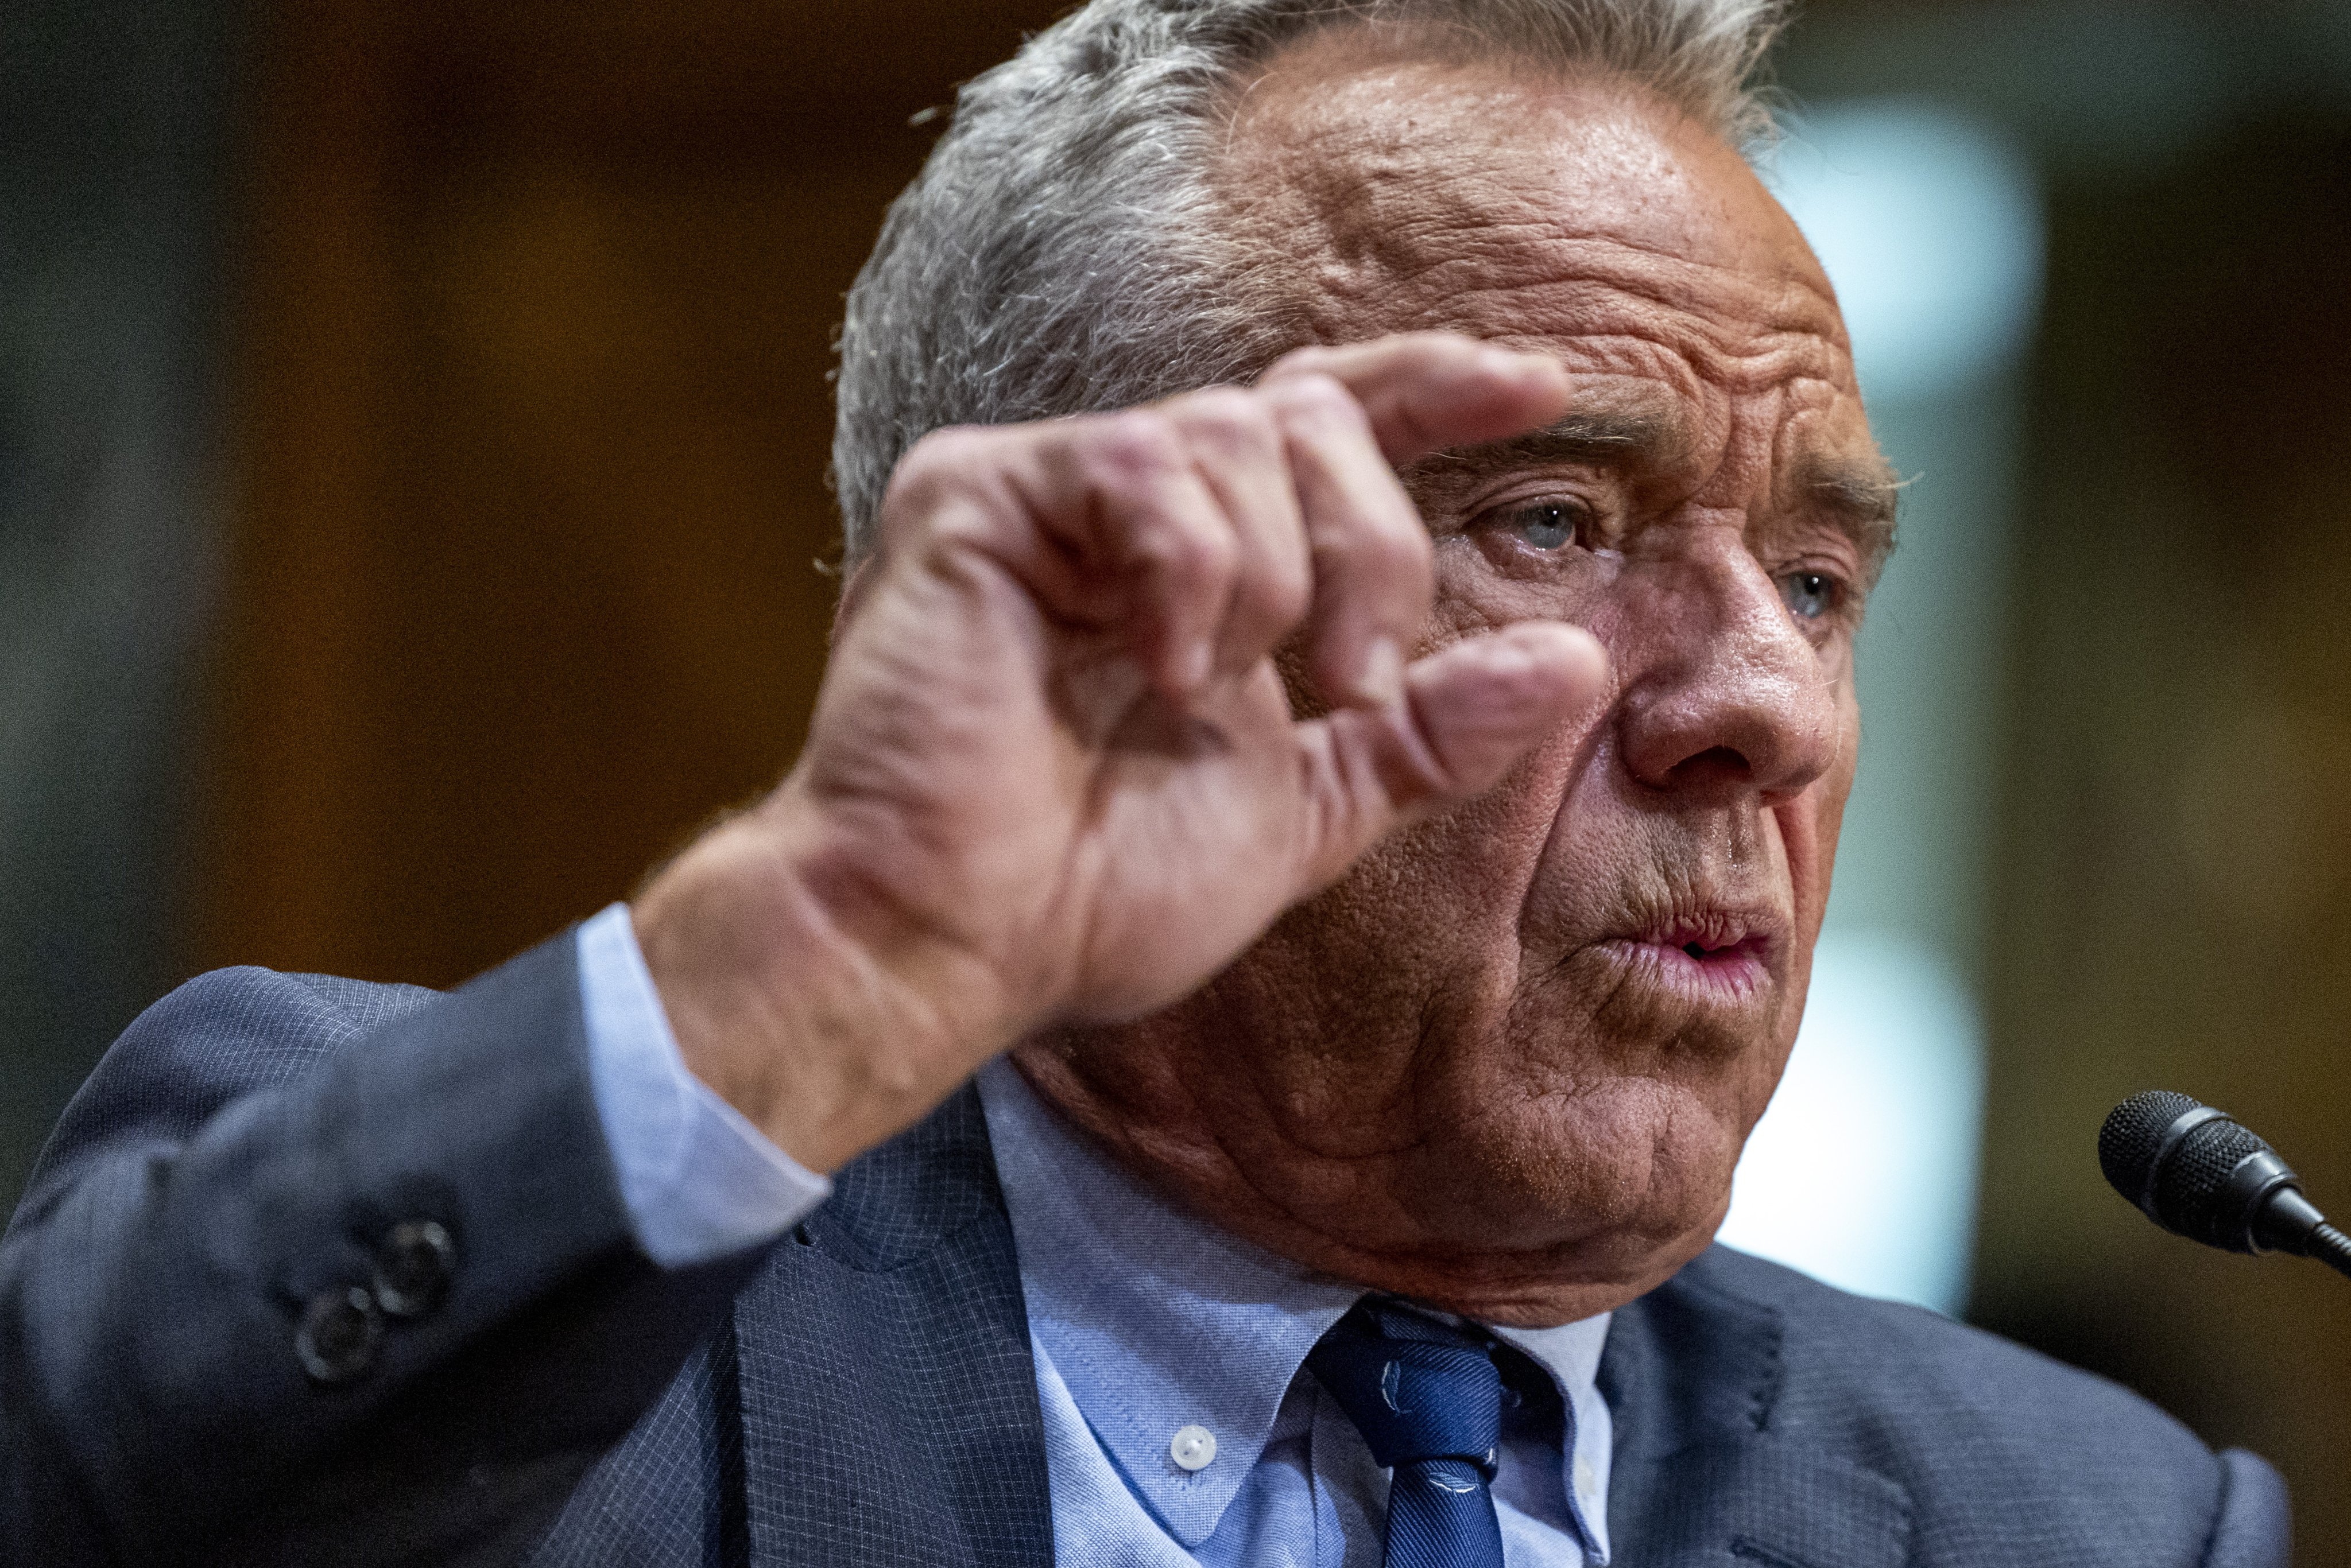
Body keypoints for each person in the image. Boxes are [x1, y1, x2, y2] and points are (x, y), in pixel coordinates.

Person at [0, 0, 2291, 1563]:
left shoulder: (2089, 1518)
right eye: (1547, 524)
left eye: (1812, 575)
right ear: (1070, 591)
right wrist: (828, 940)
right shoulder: (535, 1310)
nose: (1763, 704)